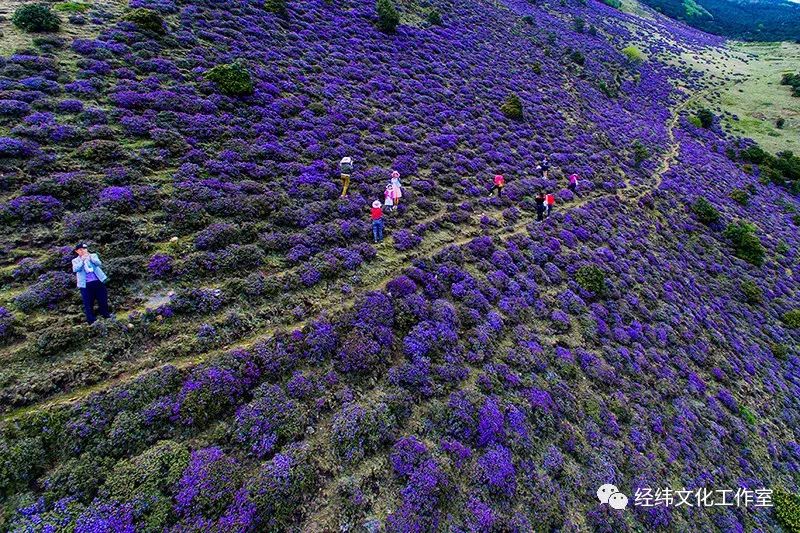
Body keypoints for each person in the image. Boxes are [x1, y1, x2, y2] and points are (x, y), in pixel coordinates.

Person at [72, 242, 111, 324]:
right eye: (81, 249)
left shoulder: (93, 255)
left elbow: (98, 263)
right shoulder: (75, 260)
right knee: (88, 303)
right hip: (85, 285)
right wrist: (82, 261)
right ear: (77, 251)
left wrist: (90, 258)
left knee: (103, 300)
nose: (83, 251)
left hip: (98, 281)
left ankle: (106, 315)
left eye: (85, 249)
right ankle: (91, 320)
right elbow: (75, 269)